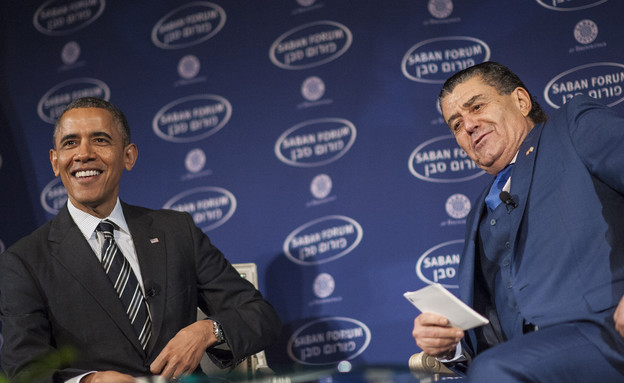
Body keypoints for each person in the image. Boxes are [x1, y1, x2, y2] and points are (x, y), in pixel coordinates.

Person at [0, 97, 282, 383]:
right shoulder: (24, 261)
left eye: (100, 140)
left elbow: (260, 316)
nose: (83, 154)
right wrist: (88, 381)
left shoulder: (176, 231)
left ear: (128, 156)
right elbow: (25, 369)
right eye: (70, 143)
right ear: (55, 161)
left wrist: (207, 330)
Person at [411, 62, 624, 382]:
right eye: (456, 123)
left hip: (607, 336)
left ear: (521, 101)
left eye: (477, 106)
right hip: (526, 359)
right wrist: (447, 347)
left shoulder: (572, 126)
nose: (468, 125)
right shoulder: (478, 213)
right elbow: (490, 331)